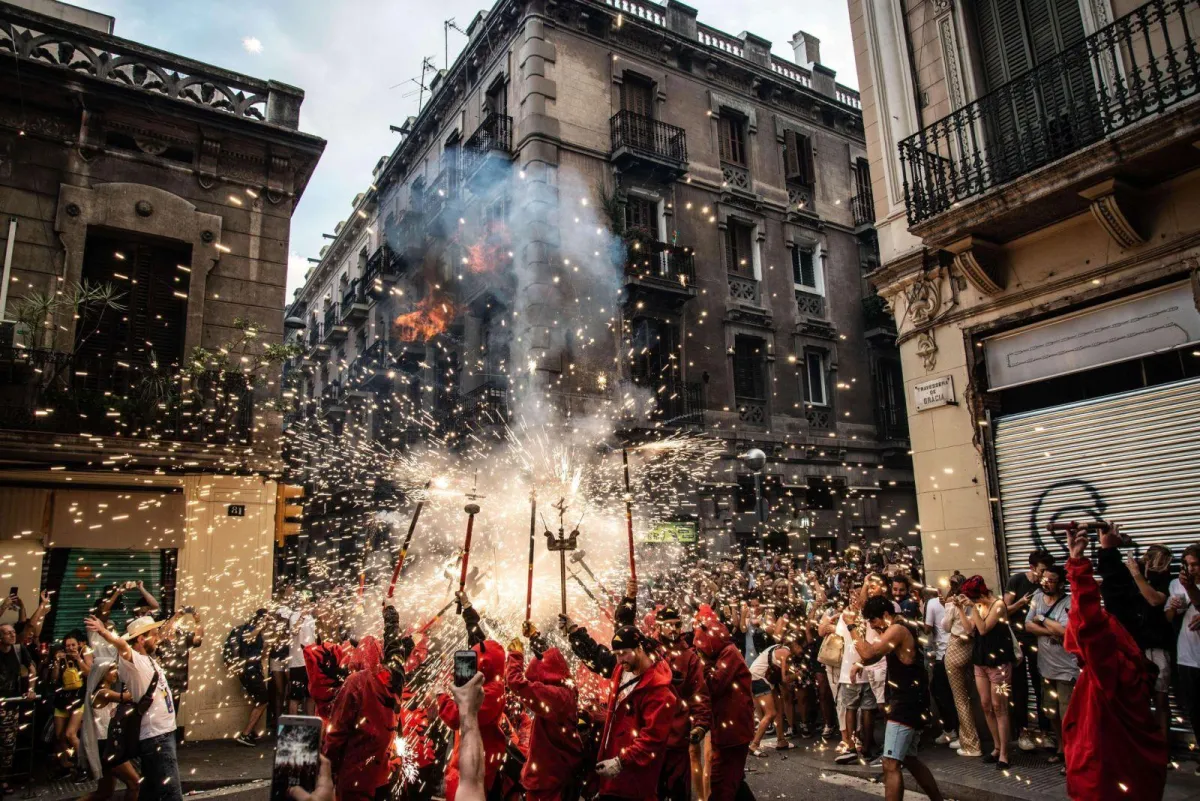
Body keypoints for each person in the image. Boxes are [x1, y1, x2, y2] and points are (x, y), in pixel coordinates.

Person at [1063, 523, 1167, 799]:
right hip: (1142, 779)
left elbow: (1089, 620)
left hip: (1105, 781)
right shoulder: (1132, 658)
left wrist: (1077, 563)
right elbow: (1117, 606)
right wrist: (1108, 552)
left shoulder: (1106, 674)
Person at [848, 595, 944, 801]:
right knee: (909, 759)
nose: (874, 627)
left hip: (906, 704)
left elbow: (868, 652)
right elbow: (872, 657)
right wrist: (860, 664)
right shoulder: (899, 628)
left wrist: (851, 627)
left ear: (885, 615)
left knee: (890, 763)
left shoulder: (897, 630)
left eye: (874, 622)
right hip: (910, 701)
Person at [83, 614, 180, 801]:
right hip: (157, 738)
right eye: (154, 634)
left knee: (150, 794)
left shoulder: (148, 660)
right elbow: (123, 647)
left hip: (163, 734)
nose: (158, 637)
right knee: (171, 796)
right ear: (142, 639)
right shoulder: (132, 660)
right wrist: (104, 633)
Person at [322, 604, 408, 801]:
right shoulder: (394, 680)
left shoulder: (355, 683)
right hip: (383, 777)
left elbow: (336, 734)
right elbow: (396, 653)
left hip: (355, 779)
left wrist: (327, 770)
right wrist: (391, 622)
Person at [591, 625, 675, 801]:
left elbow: (652, 740)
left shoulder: (659, 692)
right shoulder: (621, 671)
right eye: (617, 654)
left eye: (624, 653)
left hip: (636, 781)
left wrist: (621, 762)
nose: (620, 659)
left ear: (639, 648)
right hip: (613, 777)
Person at [437, 594, 508, 801]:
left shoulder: (489, 691)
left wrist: (441, 696)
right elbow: (480, 644)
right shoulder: (488, 678)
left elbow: (456, 717)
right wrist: (468, 611)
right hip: (470, 757)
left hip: (476, 766)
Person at [505, 626, 582, 801]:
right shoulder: (564, 688)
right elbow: (549, 661)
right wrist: (535, 637)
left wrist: (515, 658)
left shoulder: (556, 698)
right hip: (555, 775)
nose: (536, 683)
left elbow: (518, 684)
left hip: (549, 782)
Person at [692, 605, 753, 801]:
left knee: (722, 785)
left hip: (733, 732)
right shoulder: (725, 652)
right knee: (734, 782)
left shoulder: (730, 653)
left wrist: (702, 664)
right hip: (727, 728)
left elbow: (713, 685)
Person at [1024, 565, 1077, 767]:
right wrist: (1049, 630)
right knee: (1051, 712)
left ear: (1061, 583)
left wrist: (1043, 618)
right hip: (1045, 667)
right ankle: (1062, 749)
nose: (1046, 583)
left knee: (1068, 716)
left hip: (1066, 670)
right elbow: (1028, 625)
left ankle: (1073, 756)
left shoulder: (1069, 603)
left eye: (1051, 580)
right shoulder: (1037, 598)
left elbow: (1064, 631)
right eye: (1044, 579)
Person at [960, 575, 1014, 769]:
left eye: (973, 598)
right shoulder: (978, 606)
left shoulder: (998, 605)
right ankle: (997, 747)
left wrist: (973, 607)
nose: (972, 602)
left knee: (999, 707)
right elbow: (969, 630)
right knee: (985, 705)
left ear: (982, 593)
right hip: (980, 661)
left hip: (999, 663)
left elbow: (983, 629)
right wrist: (960, 609)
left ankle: (1005, 754)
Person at [1004, 550, 1053, 751]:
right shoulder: (1016, 581)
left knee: (1041, 686)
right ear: (1032, 567)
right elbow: (1004, 610)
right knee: (1019, 687)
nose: (1044, 574)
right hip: (1018, 642)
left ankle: (1045, 732)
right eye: (1042, 570)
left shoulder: (1047, 584)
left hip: (1040, 641)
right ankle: (1023, 731)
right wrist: (1021, 603)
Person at [1124, 544, 1174, 739]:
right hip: (1137, 645)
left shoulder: (1165, 581)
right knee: (1138, 698)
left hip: (1158, 646)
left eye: (1162, 561)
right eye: (1154, 559)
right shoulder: (1135, 580)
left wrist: (1137, 575)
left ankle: (1163, 745)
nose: (1158, 565)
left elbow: (1154, 600)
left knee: (1161, 698)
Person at [80, 660, 141, 801]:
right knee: (135, 783)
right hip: (106, 746)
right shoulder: (102, 693)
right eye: (111, 670)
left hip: (106, 745)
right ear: (102, 674)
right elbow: (128, 697)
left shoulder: (105, 691)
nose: (115, 673)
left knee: (104, 793)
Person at [940, 581, 981, 757]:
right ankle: (966, 737)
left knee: (960, 699)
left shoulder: (954, 604)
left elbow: (946, 626)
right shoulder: (977, 604)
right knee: (972, 696)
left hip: (956, 647)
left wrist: (950, 607)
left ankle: (971, 743)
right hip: (972, 649)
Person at [1168, 544, 1200, 765]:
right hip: (1187, 657)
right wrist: (1173, 607)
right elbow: (1169, 617)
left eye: (1195, 564)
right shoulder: (1176, 584)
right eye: (1187, 564)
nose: (1191, 569)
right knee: (1195, 710)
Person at [746, 638, 799, 756]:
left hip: (764, 678)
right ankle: (754, 745)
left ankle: (781, 741)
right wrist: (797, 676)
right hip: (759, 679)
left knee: (779, 709)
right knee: (771, 713)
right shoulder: (786, 653)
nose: (801, 650)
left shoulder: (778, 647)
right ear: (795, 645)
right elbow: (785, 679)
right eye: (800, 647)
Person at [157, 606, 204, 740]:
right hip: (162, 684)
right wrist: (176, 615)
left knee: (172, 713)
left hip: (178, 682)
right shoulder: (161, 638)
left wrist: (198, 621)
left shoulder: (182, 635)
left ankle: (168, 740)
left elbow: (198, 639)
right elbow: (162, 634)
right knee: (161, 712)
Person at [50, 631, 91, 779]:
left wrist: (78, 659)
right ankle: (66, 765)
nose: (71, 648)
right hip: (62, 701)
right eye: (68, 645)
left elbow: (90, 673)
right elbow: (54, 679)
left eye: (73, 644)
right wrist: (56, 662)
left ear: (78, 644)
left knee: (70, 734)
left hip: (78, 700)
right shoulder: (60, 657)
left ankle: (84, 766)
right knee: (60, 736)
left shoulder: (84, 654)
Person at [0, 621, 35, 792]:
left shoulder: (18, 650)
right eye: (7, 633)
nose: (12, 635)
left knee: (8, 745)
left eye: (13, 632)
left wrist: (31, 689)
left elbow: (32, 669)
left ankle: (3, 779)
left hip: (11, 705)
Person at [922, 585, 957, 748]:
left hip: (945, 655)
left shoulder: (956, 604)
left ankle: (953, 730)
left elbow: (927, 630)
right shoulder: (960, 603)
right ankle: (954, 730)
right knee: (953, 694)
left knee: (942, 692)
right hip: (952, 654)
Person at [230, 609, 269, 747]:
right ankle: (245, 734)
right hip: (249, 670)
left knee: (260, 700)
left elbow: (262, 655)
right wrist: (261, 627)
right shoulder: (250, 629)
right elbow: (248, 638)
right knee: (263, 700)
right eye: (266, 619)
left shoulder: (258, 632)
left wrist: (266, 646)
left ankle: (249, 731)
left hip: (252, 669)